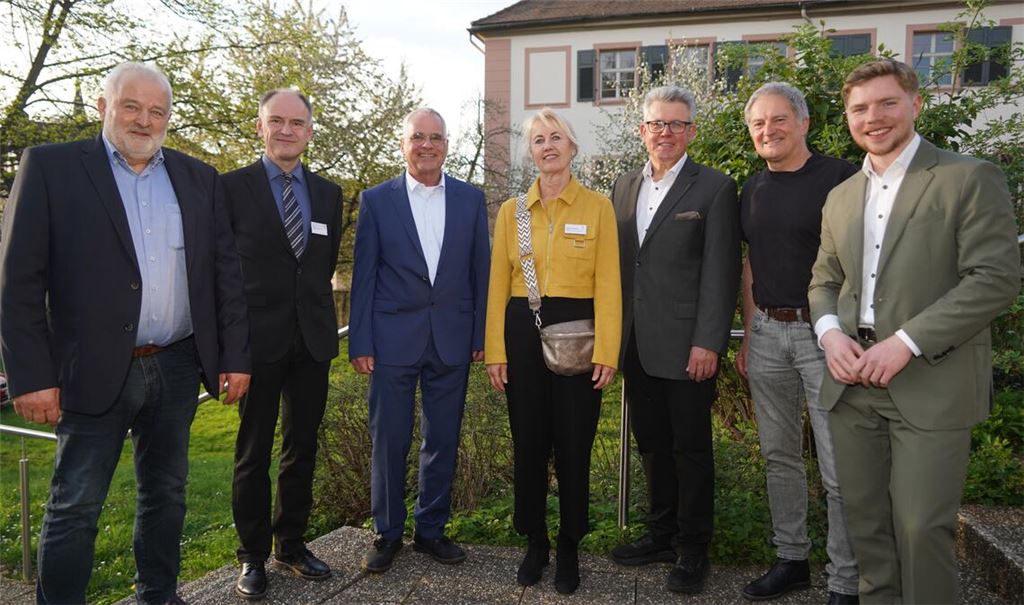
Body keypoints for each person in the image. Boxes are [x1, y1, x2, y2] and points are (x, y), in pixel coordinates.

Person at [0, 62, 251, 605]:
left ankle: (157, 596)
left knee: (167, 495)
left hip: (178, 364)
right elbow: (18, 280)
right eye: (131, 106)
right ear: (103, 107)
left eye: (157, 111)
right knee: (76, 506)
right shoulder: (51, 168)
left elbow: (223, 276)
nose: (144, 120)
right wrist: (30, 376)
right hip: (88, 369)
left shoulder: (198, 178)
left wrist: (235, 355)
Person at [809, 59, 1020, 603]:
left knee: (921, 530)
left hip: (932, 380)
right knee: (869, 533)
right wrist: (831, 333)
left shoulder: (967, 177)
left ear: (915, 104)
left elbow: (995, 279)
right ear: (847, 117)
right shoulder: (841, 196)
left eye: (886, 103)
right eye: (859, 108)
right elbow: (824, 282)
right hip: (853, 385)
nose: (872, 117)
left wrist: (906, 342)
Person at [609, 85, 741, 595]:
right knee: (651, 446)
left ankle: (692, 548)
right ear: (642, 130)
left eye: (677, 124)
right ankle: (660, 533)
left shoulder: (715, 188)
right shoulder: (622, 186)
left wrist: (709, 341)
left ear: (691, 131)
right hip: (635, 344)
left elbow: (721, 272)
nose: (666, 133)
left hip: (689, 346)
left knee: (691, 449)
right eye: (657, 124)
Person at [484, 108, 621, 595]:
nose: (548, 146)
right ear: (530, 153)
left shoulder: (597, 207)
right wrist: (495, 351)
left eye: (556, 137)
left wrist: (608, 349)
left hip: (579, 335)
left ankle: (569, 544)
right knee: (529, 443)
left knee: (573, 444)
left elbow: (608, 282)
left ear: (572, 147)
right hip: (523, 333)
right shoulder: (511, 213)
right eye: (538, 139)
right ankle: (535, 540)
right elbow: (498, 285)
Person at [349, 107, 490, 574]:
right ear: (404, 143)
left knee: (442, 439)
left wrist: (480, 334)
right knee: (389, 439)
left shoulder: (471, 200)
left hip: (451, 338)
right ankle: (387, 533)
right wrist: (360, 341)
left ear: (447, 144)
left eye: (436, 137)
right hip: (391, 340)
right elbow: (364, 276)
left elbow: (480, 272)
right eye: (418, 137)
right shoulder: (377, 200)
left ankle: (431, 530)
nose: (427, 145)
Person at [735, 82, 859, 605]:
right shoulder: (752, 189)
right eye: (759, 123)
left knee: (838, 464)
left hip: (823, 336)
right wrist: (746, 333)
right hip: (765, 333)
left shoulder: (843, 179)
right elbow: (749, 263)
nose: (769, 130)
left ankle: (846, 580)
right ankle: (792, 560)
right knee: (778, 457)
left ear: (804, 122)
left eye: (779, 119)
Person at [222, 89, 343, 600]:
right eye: (278, 121)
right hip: (256, 345)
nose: (287, 130)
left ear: (310, 132)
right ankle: (251, 557)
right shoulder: (230, 189)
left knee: (302, 449)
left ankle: (290, 544)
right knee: (252, 454)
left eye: (298, 123)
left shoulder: (329, 194)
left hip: (312, 343)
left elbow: (318, 266)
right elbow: (222, 274)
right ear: (260, 127)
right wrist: (230, 351)